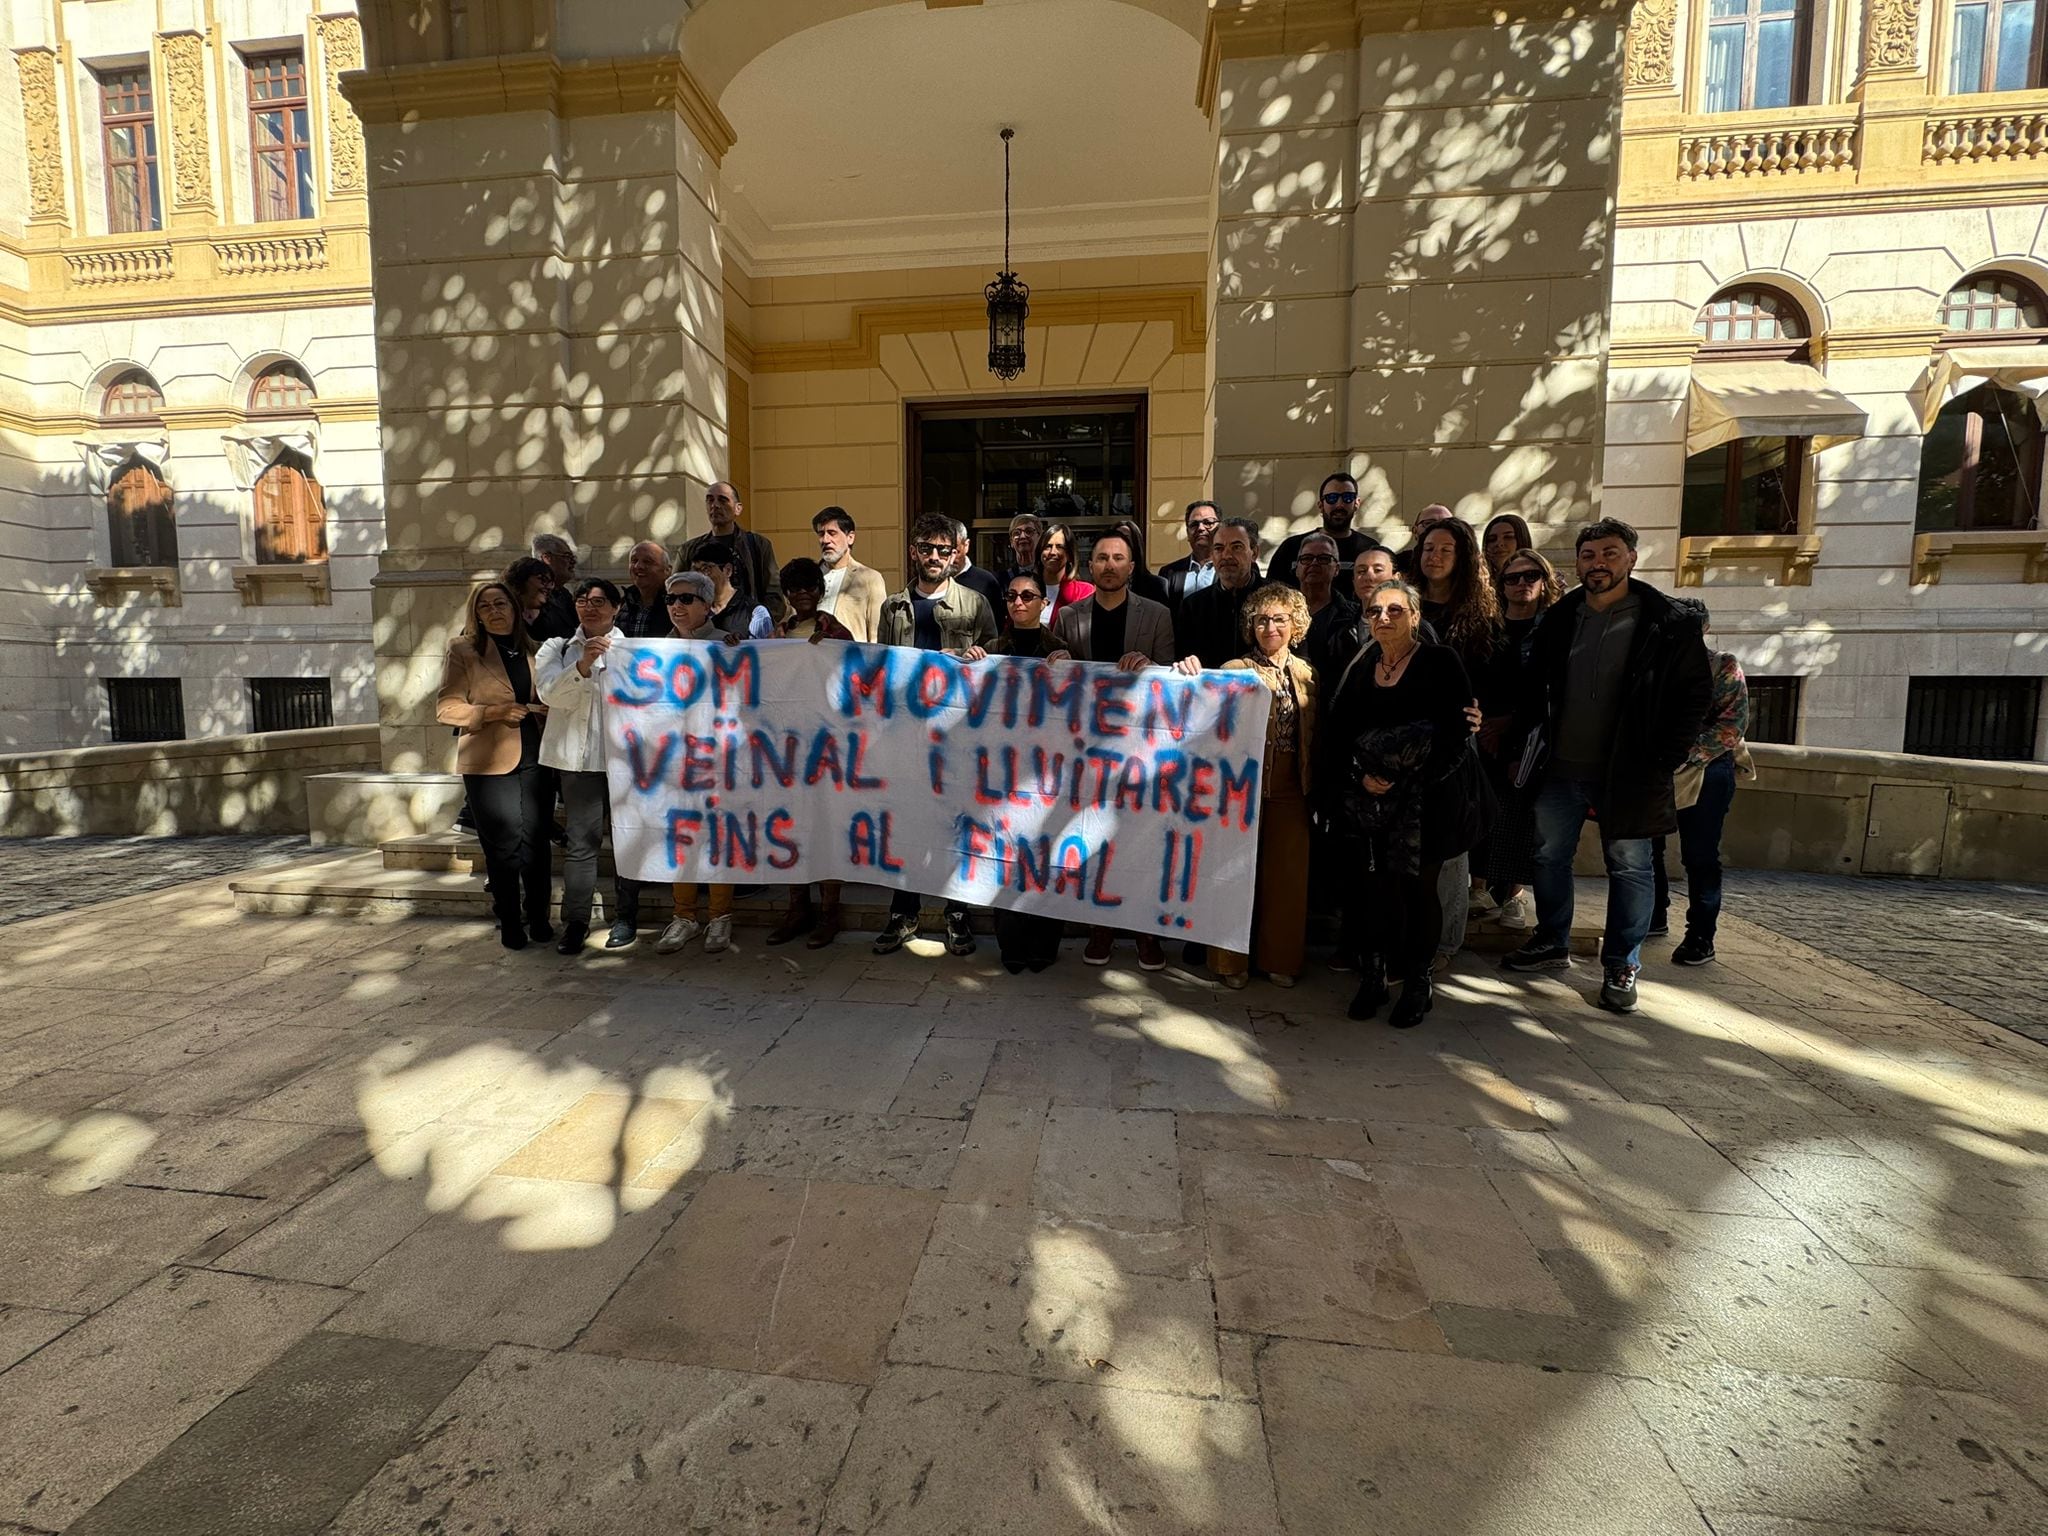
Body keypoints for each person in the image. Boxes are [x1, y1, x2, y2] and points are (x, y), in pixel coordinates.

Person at [1505, 518, 1713, 1015]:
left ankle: (1621, 962)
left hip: (1632, 770)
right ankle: (1551, 939)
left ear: (1631, 558)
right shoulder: (1560, 617)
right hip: (1561, 766)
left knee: (1631, 866)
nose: (1598, 563)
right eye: (1589, 555)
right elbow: (1535, 688)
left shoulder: (1668, 621)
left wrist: (1665, 758)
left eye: (1610, 553)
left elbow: (1695, 695)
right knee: (1549, 855)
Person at [1318, 578, 1477, 1028]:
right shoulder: (1363, 665)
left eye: (1394, 610)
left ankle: (1417, 983)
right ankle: (1372, 977)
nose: (1383, 618)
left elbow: (1457, 733)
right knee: (1370, 891)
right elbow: (1339, 732)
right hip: (1368, 801)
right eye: (1374, 611)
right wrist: (1359, 776)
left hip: (1425, 803)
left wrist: (1411, 781)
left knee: (1418, 891)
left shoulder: (1440, 662)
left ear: (1415, 615)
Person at [1051, 529, 1180, 972]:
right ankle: (1100, 928)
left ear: (1131, 566)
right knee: (1092, 837)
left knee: (1139, 838)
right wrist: (1060, 661)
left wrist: (1150, 667)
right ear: (1091, 567)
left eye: (1118, 558)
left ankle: (1145, 933)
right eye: (1101, 558)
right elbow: (1051, 670)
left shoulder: (1158, 614)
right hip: (1085, 749)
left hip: (1139, 749)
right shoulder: (1069, 615)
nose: (1109, 565)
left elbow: (1172, 679)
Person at [873, 514, 999, 959]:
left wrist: (980, 657)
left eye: (943, 550)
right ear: (914, 551)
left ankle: (957, 914)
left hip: (956, 738)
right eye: (926, 548)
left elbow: (995, 665)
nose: (934, 557)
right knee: (905, 825)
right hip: (906, 736)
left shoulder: (975, 603)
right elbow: (883, 668)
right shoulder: (892, 607)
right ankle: (902, 913)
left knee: (955, 824)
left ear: (956, 554)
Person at [1210, 584, 1317, 990]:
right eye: (1260, 619)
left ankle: (1281, 960)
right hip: (1241, 788)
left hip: (1292, 785)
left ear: (1296, 625)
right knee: (1233, 874)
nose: (1269, 626)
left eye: (1278, 619)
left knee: (1287, 876)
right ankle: (1228, 962)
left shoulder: (1309, 674)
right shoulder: (1233, 670)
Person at [437, 581, 551, 950]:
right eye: (484, 606)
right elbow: (446, 709)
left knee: (537, 843)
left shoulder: (535, 649)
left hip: (537, 756)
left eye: (500, 603)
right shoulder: (464, 650)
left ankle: (539, 918)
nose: (494, 611)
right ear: (476, 614)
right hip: (487, 761)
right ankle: (510, 922)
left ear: (515, 609)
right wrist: (494, 712)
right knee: (503, 846)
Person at [632, 571, 741, 955]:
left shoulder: (729, 645)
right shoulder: (655, 651)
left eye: (686, 599)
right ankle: (684, 917)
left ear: (709, 605)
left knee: (718, 836)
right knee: (680, 837)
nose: (676, 606)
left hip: (719, 760)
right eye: (670, 600)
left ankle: (720, 917)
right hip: (673, 762)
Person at [1414, 517, 1502, 957]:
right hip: (1408, 737)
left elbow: (1491, 677)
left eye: (1445, 549)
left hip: (1456, 742)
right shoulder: (1404, 605)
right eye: (1429, 547)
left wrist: (1480, 711)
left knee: (1449, 846)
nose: (1435, 556)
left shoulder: (1481, 613)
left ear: (1463, 556)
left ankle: (1445, 943)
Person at [1652, 599, 1755, 967]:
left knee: (1700, 855)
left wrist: (1686, 754)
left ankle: (1700, 936)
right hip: (1660, 768)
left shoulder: (1722, 665)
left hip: (1707, 770)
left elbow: (1732, 724)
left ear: (1705, 629)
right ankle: (1653, 915)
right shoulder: (1657, 665)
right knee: (1648, 848)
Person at [536, 578, 626, 955]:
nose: (590, 607)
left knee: (629, 839)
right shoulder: (555, 648)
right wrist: (584, 664)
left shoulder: (634, 650)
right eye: (582, 600)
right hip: (577, 761)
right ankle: (576, 922)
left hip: (626, 761)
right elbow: (548, 694)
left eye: (600, 600)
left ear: (616, 608)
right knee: (581, 843)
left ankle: (627, 917)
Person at [1477, 548, 1565, 931]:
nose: (1521, 583)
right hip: (1482, 734)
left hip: (1530, 738)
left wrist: (1508, 726)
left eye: (1530, 576)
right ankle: (1478, 887)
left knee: (1518, 817)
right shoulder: (1487, 629)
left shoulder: (1553, 630)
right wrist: (1483, 726)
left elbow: (1550, 692)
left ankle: (1513, 894)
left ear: (1543, 581)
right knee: (1481, 809)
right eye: (1512, 577)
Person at [683, 481, 784, 623]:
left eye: (723, 500)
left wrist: (760, 626)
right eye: (710, 500)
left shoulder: (758, 545)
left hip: (747, 629)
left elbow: (773, 593)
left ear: (738, 509)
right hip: (703, 630)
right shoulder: (689, 549)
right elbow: (677, 591)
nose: (715, 505)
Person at [1173, 516, 1263, 668]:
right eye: (1219, 548)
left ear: (1254, 553)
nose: (1226, 556)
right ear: (1212, 555)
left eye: (1236, 547)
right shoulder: (1193, 606)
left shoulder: (1279, 599)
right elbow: (1182, 658)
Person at [1269, 472, 1376, 588]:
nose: (1339, 505)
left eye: (1347, 498)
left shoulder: (1371, 550)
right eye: (1332, 498)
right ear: (1320, 505)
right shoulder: (1291, 548)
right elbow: (1272, 595)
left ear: (1356, 503)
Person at [813, 506, 887, 642]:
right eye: (821, 534)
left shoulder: (870, 579)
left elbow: (877, 634)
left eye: (832, 533)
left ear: (850, 538)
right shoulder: (808, 577)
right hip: (811, 658)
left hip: (851, 659)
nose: (825, 540)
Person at [1295, 531, 1359, 676]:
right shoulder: (1279, 612)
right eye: (1307, 558)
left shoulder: (1353, 616)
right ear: (1297, 568)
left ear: (1336, 569)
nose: (1314, 563)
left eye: (1324, 559)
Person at [691, 538, 775, 640]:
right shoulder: (693, 610)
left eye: (706, 569)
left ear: (728, 570)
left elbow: (764, 652)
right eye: (696, 570)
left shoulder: (755, 613)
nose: (700, 576)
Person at [1161, 500, 1223, 610]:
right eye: (1194, 524)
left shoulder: (1230, 569)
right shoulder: (1169, 573)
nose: (1200, 528)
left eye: (1208, 523)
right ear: (1188, 533)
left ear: (1220, 529)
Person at [778, 558, 852, 642]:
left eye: (809, 585)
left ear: (820, 591)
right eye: (795, 587)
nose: (803, 592)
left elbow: (852, 653)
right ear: (787, 594)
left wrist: (831, 643)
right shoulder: (777, 634)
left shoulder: (835, 631)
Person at [1035, 521, 1095, 625]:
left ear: (1070, 554)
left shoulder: (1085, 592)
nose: (1053, 552)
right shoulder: (1027, 588)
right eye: (1047, 546)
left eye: (1060, 547)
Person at [617, 540, 675, 638]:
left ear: (667, 570)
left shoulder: (677, 604)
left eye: (647, 562)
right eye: (634, 561)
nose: (638, 566)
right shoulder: (623, 604)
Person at [949, 518, 1006, 615]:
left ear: (966, 545)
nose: (950, 559)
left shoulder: (986, 582)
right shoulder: (929, 581)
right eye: (945, 552)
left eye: (956, 552)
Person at [1109, 516, 1171, 605]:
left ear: (1136, 544)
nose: (1119, 543)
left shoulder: (1156, 585)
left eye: (1125, 538)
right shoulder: (1103, 584)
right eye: (1115, 537)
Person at [531, 533, 579, 641]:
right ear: (547, 558)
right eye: (567, 556)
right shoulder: (530, 597)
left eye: (572, 557)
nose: (573, 562)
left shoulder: (564, 594)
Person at [504, 556, 559, 638]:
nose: (549, 587)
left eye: (551, 583)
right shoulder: (503, 615)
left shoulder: (555, 615)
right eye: (543, 579)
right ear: (520, 579)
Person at [1395, 503, 1454, 578]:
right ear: (1415, 531)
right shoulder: (1398, 564)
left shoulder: (1464, 564)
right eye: (1429, 523)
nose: (1438, 528)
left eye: (1446, 524)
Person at [1482, 513, 1535, 580]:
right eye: (1492, 539)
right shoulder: (1476, 585)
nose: (1499, 543)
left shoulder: (1539, 581)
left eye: (1508, 537)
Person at [1004, 513, 1044, 582]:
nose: (1022, 536)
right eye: (1016, 533)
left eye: (1029, 531)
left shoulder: (1049, 575)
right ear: (1011, 541)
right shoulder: (1003, 579)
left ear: (1039, 538)